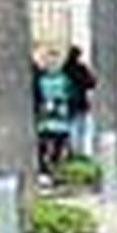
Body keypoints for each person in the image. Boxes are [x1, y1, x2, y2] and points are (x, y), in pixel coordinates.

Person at [34, 49, 74, 179]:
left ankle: (54, 167)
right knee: (42, 143)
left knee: (58, 143)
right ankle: (44, 168)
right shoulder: (40, 79)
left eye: (54, 61)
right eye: (49, 61)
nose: (52, 64)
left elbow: (70, 94)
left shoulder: (64, 78)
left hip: (60, 118)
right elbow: (36, 95)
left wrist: (63, 103)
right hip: (45, 118)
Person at [62, 46, 96, 158]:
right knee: (80, 129)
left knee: (73, 128)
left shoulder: (65, 69)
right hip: (79, 102)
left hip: (70, 103)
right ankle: (79, 152)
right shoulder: (80, 68)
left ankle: (74, 151)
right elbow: (92, 83)